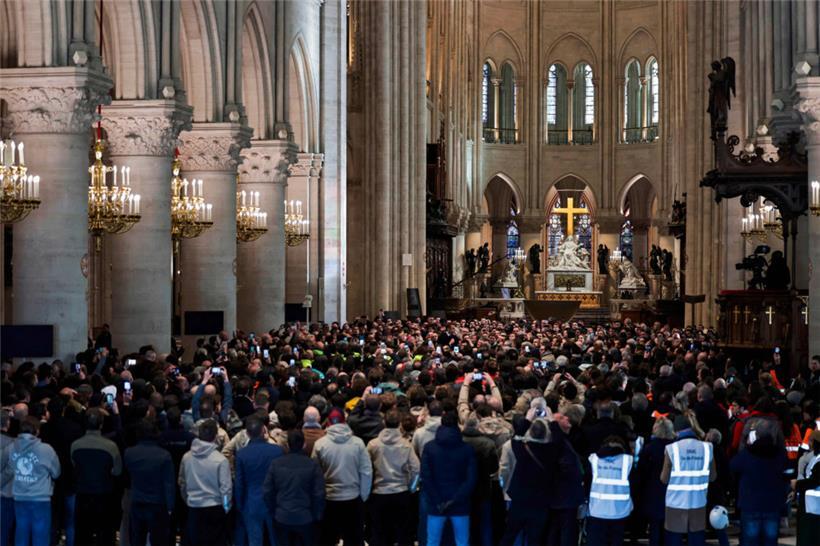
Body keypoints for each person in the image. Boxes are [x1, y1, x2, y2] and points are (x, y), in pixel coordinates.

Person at [312, 411, 372, 546]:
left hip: (330, 498)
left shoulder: (320, 444)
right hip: (353, 497)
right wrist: (363, 495)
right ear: (345, 422)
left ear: (328, 423)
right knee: (354, 539)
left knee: (328, 539)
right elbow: (366, 472)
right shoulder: (358, 443)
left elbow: (316, 474)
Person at [420, 411, 477, 546]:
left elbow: (426, 477)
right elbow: (471, 479)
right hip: (460, 503)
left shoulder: (429, 448)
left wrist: (438, 500)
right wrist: (455, 500)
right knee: (462, 542)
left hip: (436, 504)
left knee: (432, 542)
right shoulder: (467, 449)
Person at [366, 409, 420, 546]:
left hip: (379, 492)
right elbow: (417, 469)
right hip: (401, 492)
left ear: (384, 422)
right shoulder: (406, 445)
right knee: (403, 533)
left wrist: (368, 489)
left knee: (380, 533)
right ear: (399, 424)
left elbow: (366, 469)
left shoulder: (373, 445)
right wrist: (412, 488)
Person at [500, 419, 557, 546]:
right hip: (540, 503)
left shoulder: (522, 449)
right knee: (534, 540)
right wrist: (553, 422)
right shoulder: (552, 451)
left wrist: (527, 419)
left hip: (519, 501)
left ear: (529, 432)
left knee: (509, 535)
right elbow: (559, 440)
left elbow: (515, 438)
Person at [661, 416, 716, 546]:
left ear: (676, 431)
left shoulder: (672, 449)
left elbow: (664, 479)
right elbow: (713, 476)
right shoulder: (707, 448)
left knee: (674, 540)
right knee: (696, 540)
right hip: (698, 502)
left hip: (675, 504)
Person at [70, 407, 122, 546]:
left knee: (82, 533)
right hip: (104, 494)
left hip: (83, 493)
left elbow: (74, 466)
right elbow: (117, 471)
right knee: (104, 534)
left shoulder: (75, 445)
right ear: (101, 424)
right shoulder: (111, 446)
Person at [730, 421, 788, 546]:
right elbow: (787, 472)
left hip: (750, 503)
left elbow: (733, 466)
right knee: (770, 541)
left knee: (750, 540)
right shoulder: (780, 454)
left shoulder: (747, 453)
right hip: (773, 504)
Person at [264, 431, 326, 546]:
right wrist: (317, 514)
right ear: (304, 444)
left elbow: (267, 491)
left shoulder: (276, 464)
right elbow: (319, 493)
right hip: (306, 517)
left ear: (287, 445)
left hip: (282, 516)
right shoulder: (312, 465)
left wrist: (273, 511)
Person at [178, 419, 232, 546]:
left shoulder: (187, 457)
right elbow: (226, 489)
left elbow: (182, 483)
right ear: (215, 437)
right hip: (215, 508)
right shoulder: (221, 460)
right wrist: (226, 507)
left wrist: (188, 499)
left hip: (193, 507)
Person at [8, 417, 60, 546]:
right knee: (40, 537)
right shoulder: (46, 449)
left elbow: (10, 469)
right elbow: (56, 472)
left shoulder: (11, 447)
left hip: (19, 497)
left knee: (21, 534)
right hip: (40, 498)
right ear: (37, 431)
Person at [124, 419, 176, 546]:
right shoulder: (164, 455)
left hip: (137, 501)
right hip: (158, 504)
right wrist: (170, 507)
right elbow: (168, 483)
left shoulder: (129, 453)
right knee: (158, 540)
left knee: (137, 539)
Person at [234, 415, 284, 546]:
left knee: (255, 541)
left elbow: (239, 484)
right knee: (276, 540)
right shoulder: (277, 451)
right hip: (274, 501)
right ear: (264, 430)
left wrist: (239, 505)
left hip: (251, 502)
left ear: (247, 434)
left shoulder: (242, 454)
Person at [586, 435, 634, 546]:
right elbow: (635, 485)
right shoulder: (627, 461)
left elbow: (587, 483)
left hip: (596, 511)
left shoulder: (594, 459)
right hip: (620, 512)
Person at [636, 417, 675, 546]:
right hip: (672, 492)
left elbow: (641, 471)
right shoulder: (674, 447)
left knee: (654, 527)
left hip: (652, 491)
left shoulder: (649, 448)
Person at [795, 430, 820, 546]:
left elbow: (814, 480)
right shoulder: (814, 458)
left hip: (814, 506)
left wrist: (797, 485)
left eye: (811, 441)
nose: (809, 443)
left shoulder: (817, 460)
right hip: (811, 505)